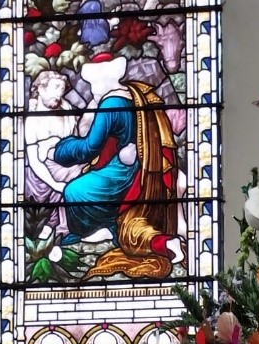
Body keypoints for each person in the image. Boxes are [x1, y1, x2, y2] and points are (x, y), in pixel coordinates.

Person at [52, 53, 184, 278]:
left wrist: (61, 149)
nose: (92, 88)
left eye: (93, 83)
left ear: (103, 80)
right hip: (141, 167)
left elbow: (89, 148)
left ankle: (90, 229)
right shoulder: (135, 93)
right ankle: (111, 226)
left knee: (73, 191)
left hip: (124, 173)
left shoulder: (111, 104)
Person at [25, 70, 83, 235]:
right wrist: (54, 184)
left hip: (66, 165)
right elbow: (35, 161)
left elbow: (74, 143)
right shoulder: (32, 121)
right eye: (56, 87)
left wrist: (53, 142)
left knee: (81, 172)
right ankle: (56, 225)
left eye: (62, 90)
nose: (59, 94)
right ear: (41, 89)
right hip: (41, 177)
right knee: (70, 175)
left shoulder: (66, 108)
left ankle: (72, 226)